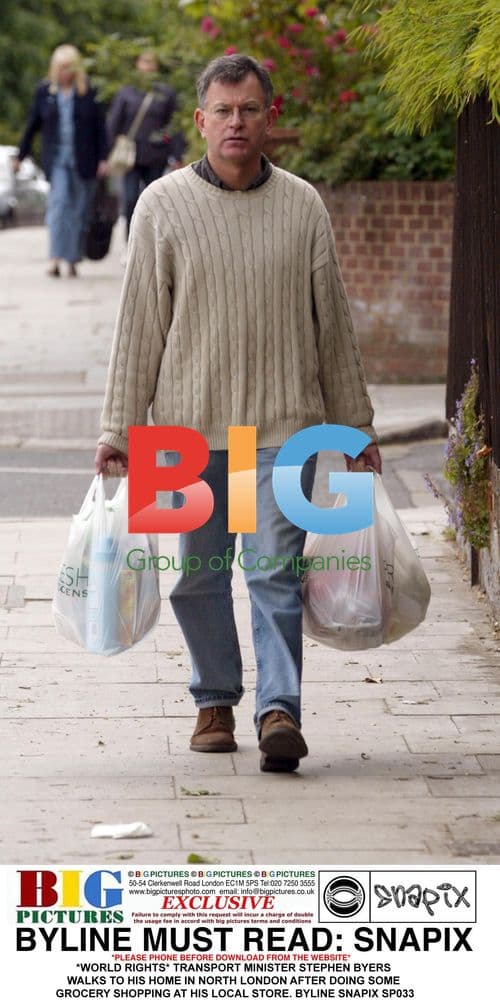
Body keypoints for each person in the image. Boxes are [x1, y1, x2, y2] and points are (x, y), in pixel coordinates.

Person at [95, 54, 382, 774]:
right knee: (196, 575)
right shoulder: (161, 204)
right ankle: (215, 699)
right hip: (179, 433)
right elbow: (139, 327)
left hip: (285, 425)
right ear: (199, 121)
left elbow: (333, 326)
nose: (235, 122)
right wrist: (116, 430)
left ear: (269, 118)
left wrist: (355, 423)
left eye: (249, 109)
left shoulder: (303, 204)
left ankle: (279, 709)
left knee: (273, 570)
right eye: (222, 111)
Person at [13, 44, 108, 278]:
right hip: (56, 160)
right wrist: (20, 155)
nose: (66, 72)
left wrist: (103, 158)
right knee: (59, 205)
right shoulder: (45, 92)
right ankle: (55, 258)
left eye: (70, 67)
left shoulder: (89, 92)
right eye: (62, 67)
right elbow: (32, 126)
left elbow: (100, 128)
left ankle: (72, 259)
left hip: (84, 159)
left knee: (78, 210)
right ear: (55, 68)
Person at [107, 51, 185, 238]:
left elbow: (174, 126)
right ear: (137, 65)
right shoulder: (126, 93)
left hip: (157, 154)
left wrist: (177, 154)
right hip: (130, 157)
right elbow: (113, 124)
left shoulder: (166, 94)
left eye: (152, 63)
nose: (148, 67)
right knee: (131, 198)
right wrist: (106, 153)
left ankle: (153, 241)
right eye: (144, 62)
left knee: (154, 200)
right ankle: (131, 241)